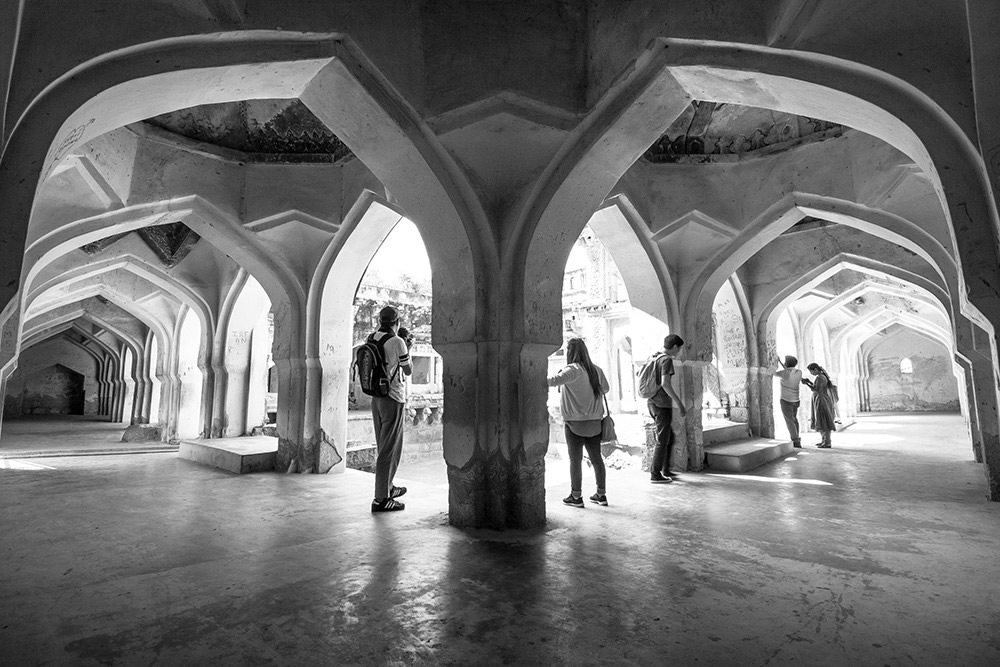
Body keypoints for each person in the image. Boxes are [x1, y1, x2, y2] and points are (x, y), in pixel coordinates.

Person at [547, 338, 610, 508]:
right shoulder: (596, 370)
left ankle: (576, 496)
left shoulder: (572, 370)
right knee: (597, 459)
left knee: (575, 460)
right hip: (595, 422)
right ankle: (601, 494)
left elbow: (551, 381)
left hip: (575, 423)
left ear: (570, 352)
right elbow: (606, 389)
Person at [369, 306, 413, 512]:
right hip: (393, 397)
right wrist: (407, 348)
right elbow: (408, 369)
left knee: (383, 445)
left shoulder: (372, 337)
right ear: (397, 322)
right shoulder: (398, 342)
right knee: (390, 448)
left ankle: (388, 487)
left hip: (376, 397)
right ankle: (381, 499)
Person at [647, 334, 687, 484]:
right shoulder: (667, 360)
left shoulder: (655, 357)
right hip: (661, 403)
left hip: (652, 402)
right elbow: (665, 383)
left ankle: (665, 469)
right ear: (675, 347)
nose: (680, 351)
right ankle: (655, 473)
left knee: (668, 436)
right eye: (680, 348)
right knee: (662, 439)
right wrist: (679, 403)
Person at [803, 362, 836, 448]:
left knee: (823, 421)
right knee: (823, 420)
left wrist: (806, 384)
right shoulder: (822, 377)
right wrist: (809, 382)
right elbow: (818, 387)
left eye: (811, 371)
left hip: (821, 401)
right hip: (822, 399)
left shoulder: (820, 377)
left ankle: (827, 442)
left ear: (815, 369)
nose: (811, 373)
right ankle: (824, 440)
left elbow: (816, 389)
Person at [774, 355, 803, 448]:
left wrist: (777, 362)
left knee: (789, 421)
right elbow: (788, 371)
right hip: (796, 400)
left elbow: (773, 373)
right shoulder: (799, 372)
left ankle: (795, 441)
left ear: (787, 363)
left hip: (786, 400)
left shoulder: (784, 373)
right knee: (794, 419)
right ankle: (797, 437)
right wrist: (781, 362)